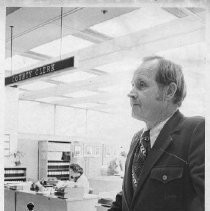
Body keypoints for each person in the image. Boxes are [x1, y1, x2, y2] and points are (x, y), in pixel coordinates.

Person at [108, 56, 204, 211]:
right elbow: (130, 196)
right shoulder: (137, 140)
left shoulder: (196, 131)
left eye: (141, 85)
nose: (131, 93)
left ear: (169, 91)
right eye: (132, 85)